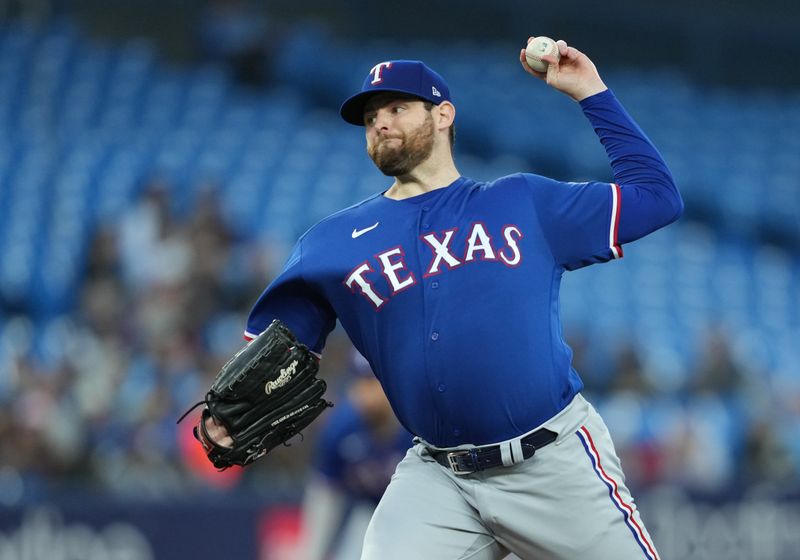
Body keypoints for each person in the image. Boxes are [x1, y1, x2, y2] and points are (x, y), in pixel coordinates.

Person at [204, 36, 683, 559]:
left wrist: (590, 91)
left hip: (552, 464)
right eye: (370, 117)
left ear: (443, 115)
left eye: (397, 108)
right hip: (438, 478)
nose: (380, 122)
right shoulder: (330, 244)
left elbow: (658, 198)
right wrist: (229, 415)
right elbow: (268, 354)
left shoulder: (523, 202)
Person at [294, 350, 412, 560]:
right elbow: (325, 496)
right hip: (370, 511)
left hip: (419, 511)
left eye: (372, 382)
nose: (364, 392)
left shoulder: (416, 425)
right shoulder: (341, 428)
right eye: (359, 381)